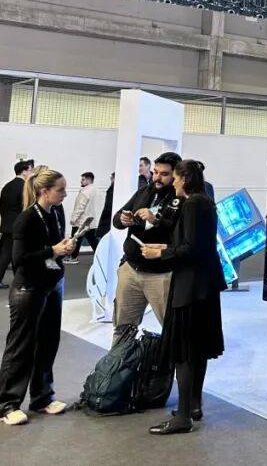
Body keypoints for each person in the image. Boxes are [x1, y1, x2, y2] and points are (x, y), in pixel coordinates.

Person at [141, 159, 225, 435]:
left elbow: (190, 248)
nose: (173, 183)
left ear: (185, 179)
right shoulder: (204, 201)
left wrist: (161, 253)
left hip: (191, 286)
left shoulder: (192, 204)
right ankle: (193, 405)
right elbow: (194, 242)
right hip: (203, 285)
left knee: (185, 351)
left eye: (175, 178)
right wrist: (166, 246)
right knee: (197, 348)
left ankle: (184, 415)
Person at [0, 166, 75, 426]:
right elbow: (19, 260)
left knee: (48, 342)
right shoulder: (26, 218)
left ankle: (42, 397)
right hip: (28, 288)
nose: (65, 194)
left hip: (53, 284)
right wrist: (52, 251)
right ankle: (7, 405)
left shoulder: (57, 212)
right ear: (44, 191)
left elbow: (55, 245)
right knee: (21, 346)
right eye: (60, 190)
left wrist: (66, 248)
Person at [111, 151, 183, 345]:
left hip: (161, 275)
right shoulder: (145, 191)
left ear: (176, 175)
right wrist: (122, 219)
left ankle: (173, 364)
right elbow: (116, 219)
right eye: (155, 172)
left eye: (164, 174)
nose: (157, 177)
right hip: (131, 270)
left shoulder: (181, 199)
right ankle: (116, 364)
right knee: (122, 328)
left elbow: (181, 235)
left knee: (173, 330)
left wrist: (155, 219)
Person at [0, 159, 34, 288]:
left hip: (7, 224)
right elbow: (25, 207)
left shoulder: (7, 186)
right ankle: (16, 281)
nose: (32, 173)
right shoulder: (24, 187)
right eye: (30, 170)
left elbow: (2, 206)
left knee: (8, 253)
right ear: (24, 171)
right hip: (18, 225)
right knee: (13, 254)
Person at [66, 172, 99, 263]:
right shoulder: (96, 190)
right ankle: (101, 257)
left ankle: (73, 258)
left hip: (81, 221)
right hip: (91, 220)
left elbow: (80, 207)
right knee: (93, 240)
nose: (81, 181)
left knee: (75, 240)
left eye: (83, 179)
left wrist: (73, 219)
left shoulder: (85, 191)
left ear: (88, 180)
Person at [96, 172, 115, 242]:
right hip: (108, 219)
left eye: (112, 178)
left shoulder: (112, 189)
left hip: (107, 219)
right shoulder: (113, 188)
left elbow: (108, 205)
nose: (111, 180)